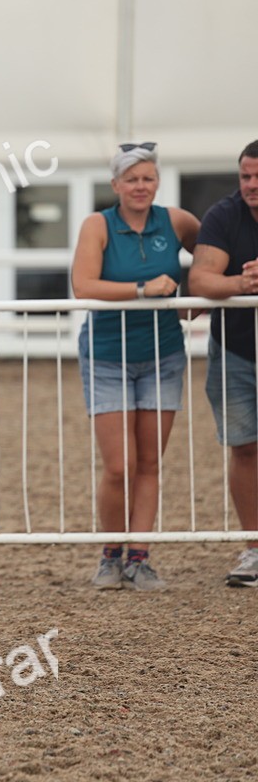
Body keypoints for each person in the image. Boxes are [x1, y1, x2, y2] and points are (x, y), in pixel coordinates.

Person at [70, 142, 201, 591]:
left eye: (147, 178)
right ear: (115, 185)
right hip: (108, 354)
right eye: (131, 179)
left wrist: (201, 296)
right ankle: (111, 554)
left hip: (164, 353)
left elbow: (214, 254)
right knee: (119, 466)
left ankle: (140, 558)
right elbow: (82, 285)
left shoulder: (177, 221)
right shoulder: (98, 224)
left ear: (157, 181)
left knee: (149, 462)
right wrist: (145, 289)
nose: (140, 186)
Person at [188, 139, 258, 588]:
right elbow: (200, 279)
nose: (251, 185)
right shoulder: (223, 215)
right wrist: (241, 281)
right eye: (245, 176)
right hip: (236, 350)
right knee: (245, 448)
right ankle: (254, 549)